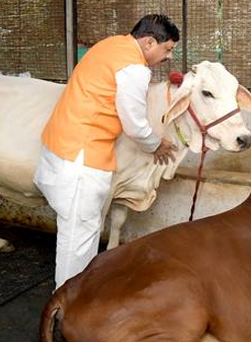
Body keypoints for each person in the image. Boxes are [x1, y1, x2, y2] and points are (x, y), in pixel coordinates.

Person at [34, 14, 180, 288]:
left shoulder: (110, 45)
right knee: (78, 238)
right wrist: (156, 143)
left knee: (77, 233)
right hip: (81, 159)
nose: (168, 57)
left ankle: (75, 298)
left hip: (59, 148)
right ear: (149, 42)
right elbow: (134, 125)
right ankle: (66, 306)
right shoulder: (134, 68)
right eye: (167, 49)